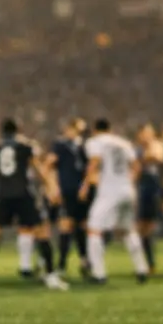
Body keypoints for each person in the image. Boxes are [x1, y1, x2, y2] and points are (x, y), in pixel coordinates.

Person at [0, 119, 67, 291]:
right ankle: (51, 275)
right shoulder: (25, 146)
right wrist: (51, 187)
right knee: (41, 232)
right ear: (18, 131)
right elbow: (37, 168)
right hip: (24, 194)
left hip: (3, 195)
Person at [79, 118, 150, 284]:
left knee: (93, 229)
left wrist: (85, 185)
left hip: (109, 191)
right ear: (110, 129)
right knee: (128, 229)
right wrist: (129, 183)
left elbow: (95, 161)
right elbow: (137, 167)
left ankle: (99, 273)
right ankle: (141, 269)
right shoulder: (123, 143)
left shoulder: (94, 142)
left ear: (95, 130)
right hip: (127, 190)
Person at [46, 117, 90, 276]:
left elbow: (90, 169)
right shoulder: (60, 145)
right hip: (67, 189)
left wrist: (86, 186)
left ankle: (85, 259)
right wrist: (53, 187)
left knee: (82, 225)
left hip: (83, 191)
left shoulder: (85, 146)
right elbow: (49, 165)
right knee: (66, 225)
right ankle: (62, 264)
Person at [136, 124, 163, 275]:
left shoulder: (157, 147)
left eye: (149, 133)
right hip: (141, 191)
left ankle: (149, 264)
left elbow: (158, 157)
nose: (146, 136)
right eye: (144, 133)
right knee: (140, 229)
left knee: (147, 229)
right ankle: (145, 263)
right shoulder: (137, 150)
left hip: (154, 192)